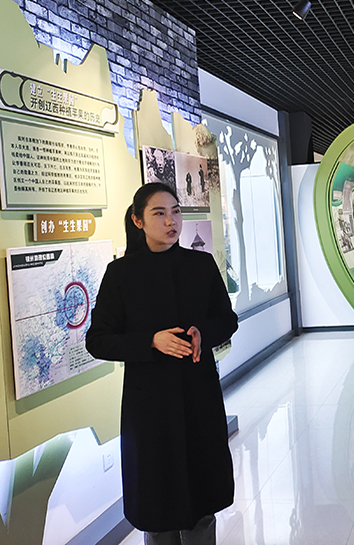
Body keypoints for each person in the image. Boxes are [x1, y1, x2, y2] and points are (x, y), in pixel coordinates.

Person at [86, 182, 238, 545]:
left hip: (198, 396)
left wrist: (203, 332)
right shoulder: (121, 274)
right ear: (138, 221)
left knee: (203, 502)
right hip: (149, 406)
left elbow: (227, 319)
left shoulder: (200, 265)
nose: (171, 221)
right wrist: (150, 341)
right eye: (159, 213)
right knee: (157, 507)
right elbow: (98, 340)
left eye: (175, 212)